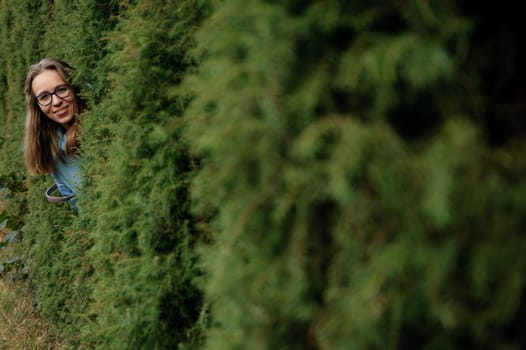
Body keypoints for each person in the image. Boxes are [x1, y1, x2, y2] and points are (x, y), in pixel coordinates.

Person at [23, 58, 85, 208]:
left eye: (62, 89)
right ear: (37, 106)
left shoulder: (100, 121)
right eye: (44, 97)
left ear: (74, 87)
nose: (56, 101)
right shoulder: (52, 150)